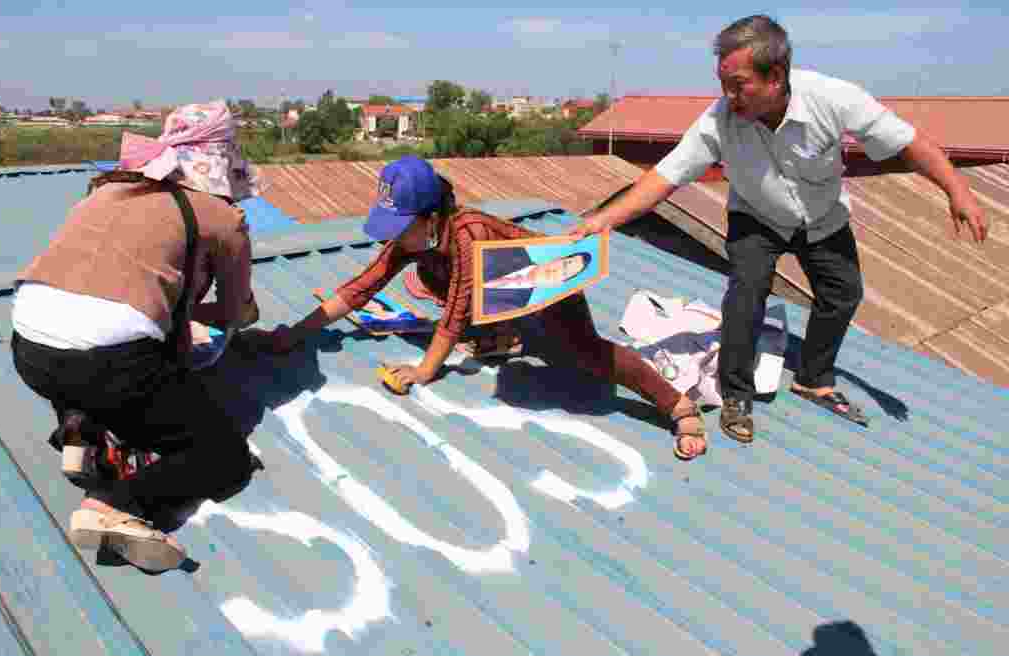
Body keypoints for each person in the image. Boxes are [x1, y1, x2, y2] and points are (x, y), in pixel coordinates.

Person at [571, 15, 987, 443]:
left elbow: (908, 142)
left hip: (822, 216)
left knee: (843, 293)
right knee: (746, 294)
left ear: (777, 76)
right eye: (723, 83)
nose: (728, 95)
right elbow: (664, 177)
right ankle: (736, 395)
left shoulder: (834, 98)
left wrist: (958, 190)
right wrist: (602, 220)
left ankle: (813, 378)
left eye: (739, 84)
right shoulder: (719, 120)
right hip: (757, 216)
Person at [255, 156, 708, 459]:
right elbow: (359, 288)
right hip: (498, 294)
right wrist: (293, 335)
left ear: (432, 217)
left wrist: (424, 370)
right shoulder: (416, 239)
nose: (395, 236)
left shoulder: (467, 232)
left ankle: (675, 405)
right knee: (424, 275)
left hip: (544, 282)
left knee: (586, 354)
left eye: (402, 225)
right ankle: (501, 334)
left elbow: (456, 310)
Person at [10, 100, 263, 572]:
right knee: (223, 456)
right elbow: (234, 313)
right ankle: (114, 505)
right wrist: (245, 313)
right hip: (109, 360)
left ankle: (78, 429)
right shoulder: (221, 217)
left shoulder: (108, 191)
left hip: (28, 345)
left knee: (92, 370)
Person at [482, 249, 592, 316]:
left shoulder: (516, 307)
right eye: (564, 264)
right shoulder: (513, 250)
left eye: (565, 274)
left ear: (558, 284)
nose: (557, 271)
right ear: (556, 259)